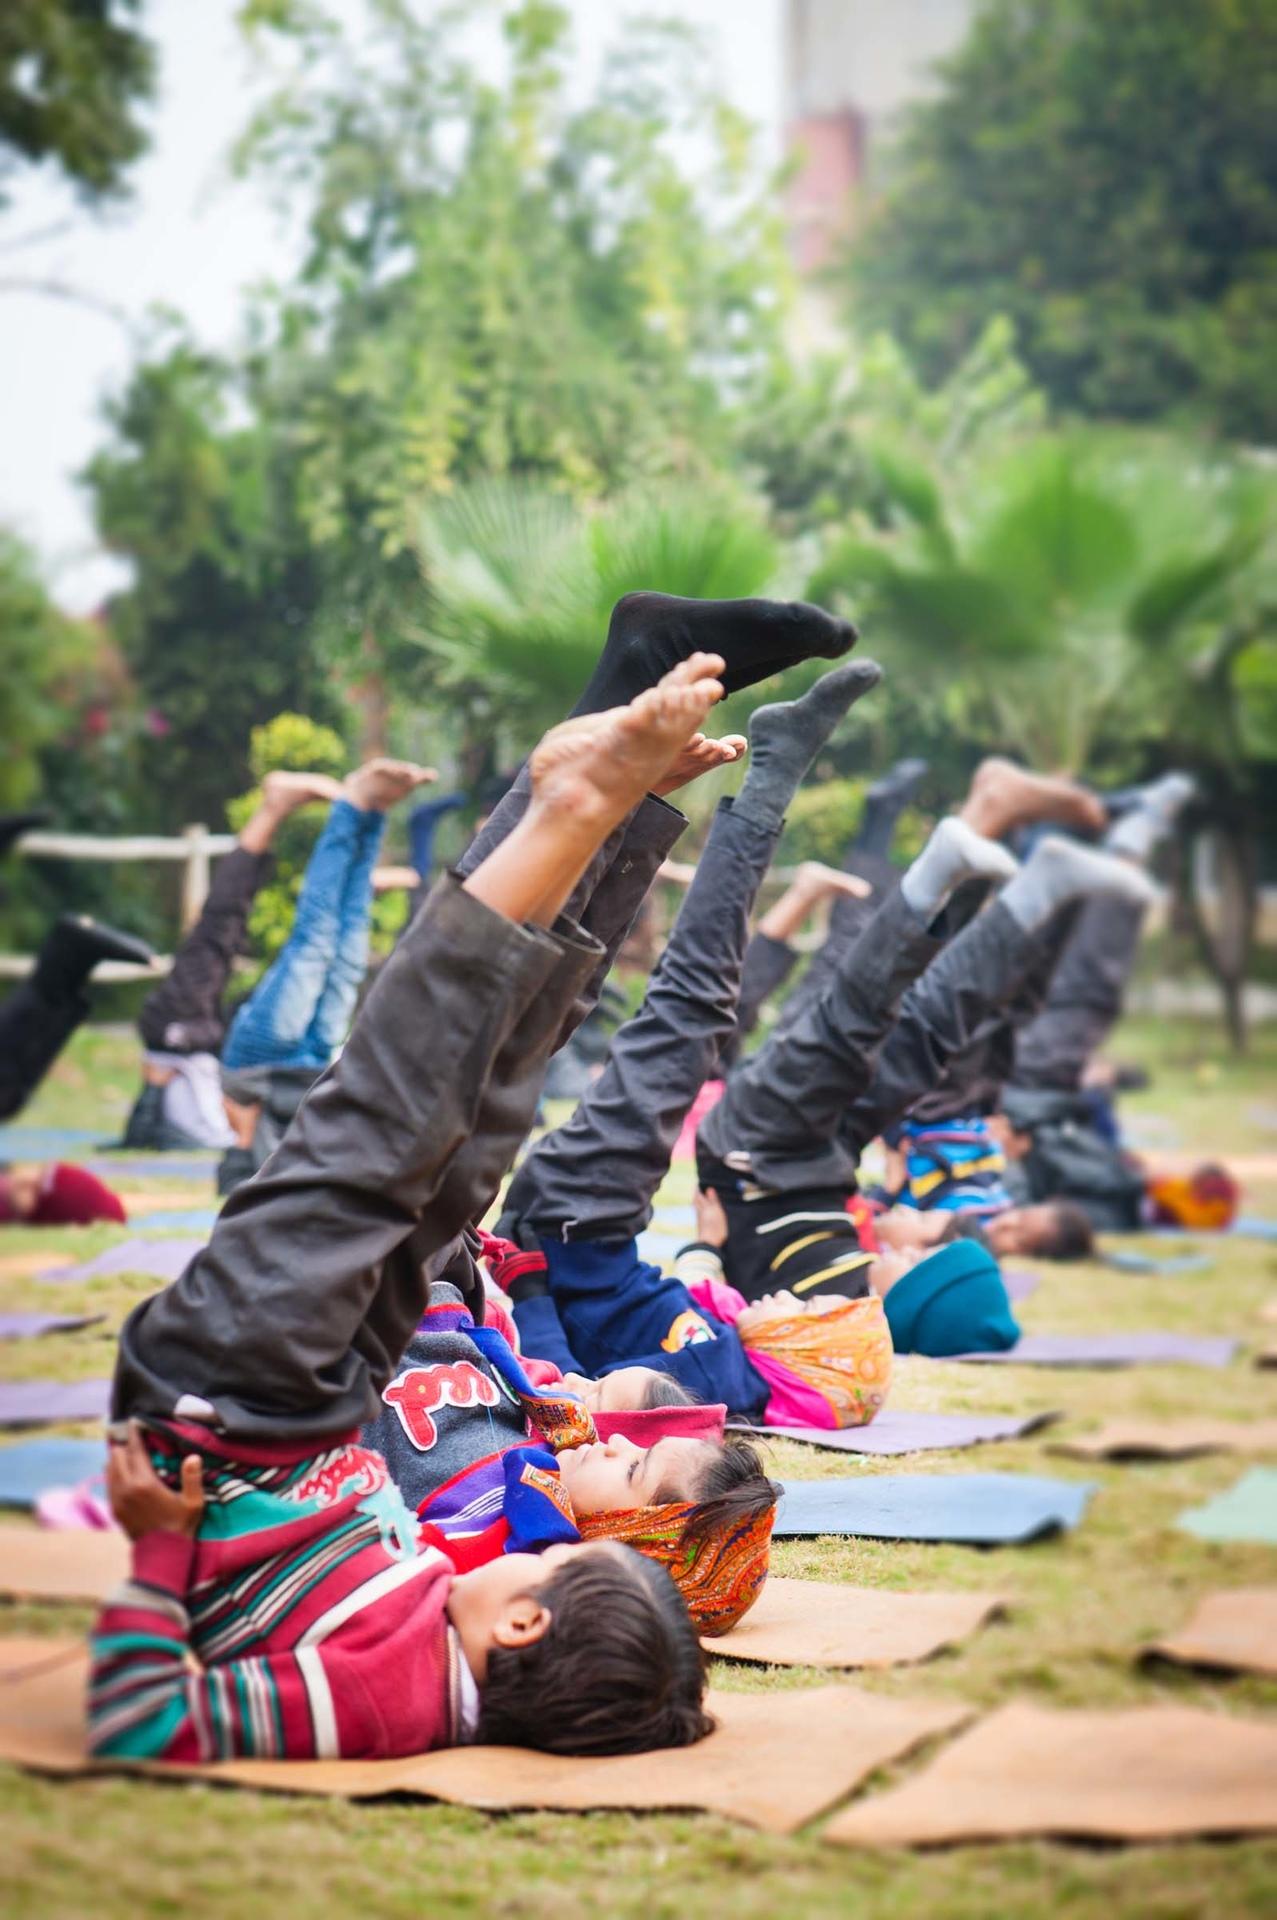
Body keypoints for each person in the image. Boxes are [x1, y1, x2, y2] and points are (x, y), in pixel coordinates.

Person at [90, 652, 734, 1766]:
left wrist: (156, 1554)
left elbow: (143, 1718)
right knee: (470, 1137)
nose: (539, 1549)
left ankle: (576, 802)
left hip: (227, 1402)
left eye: (548, 1564)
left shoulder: (390, 1699)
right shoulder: (435, 1647)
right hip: (319, 1407)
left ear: (524, 1623)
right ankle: (609, 815)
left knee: (383, 1118)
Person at [493, 663, 902, 1427]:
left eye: (804, 1317)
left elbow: (570, 1389)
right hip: (592, 1218)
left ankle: (736, 775)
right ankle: (646, 790)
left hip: (574, 1224)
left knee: (687, 999)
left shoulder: (722, 1380)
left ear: (796, 1359)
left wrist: (524, 1281)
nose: (793, 1298)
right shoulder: (725, 1350)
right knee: (580, 984)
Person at [0, 912, 154, 1123]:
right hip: (37, 1012)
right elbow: (138, 952)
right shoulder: (71, 930)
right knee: (12, 1075)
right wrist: (150, 959)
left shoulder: (74, 931)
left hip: (49, 1012)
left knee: (19, 1081)